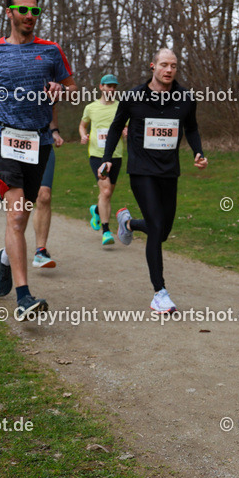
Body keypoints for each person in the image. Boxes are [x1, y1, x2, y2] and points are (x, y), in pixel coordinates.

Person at [0, 0, 77, 320]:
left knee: (24, 212)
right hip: (2, 136)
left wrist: (62, 90)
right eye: (23, 10)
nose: (30, 16)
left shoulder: (52, 51)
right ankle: (24, 297)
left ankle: (6, 258)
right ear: (10, 13)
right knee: (16, 214)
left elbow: (73, 92)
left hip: (39, 141)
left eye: (35, 11)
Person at [99, 49, 207, 314]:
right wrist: (108, 158)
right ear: (153, 66)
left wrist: (198, 151)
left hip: (169, 170)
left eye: (173, 66)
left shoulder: (184, 98)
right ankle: (160, 293)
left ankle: (129, 222)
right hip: (141, 169)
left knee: (163, 231)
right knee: (157, 228)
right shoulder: (133, 96)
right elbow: (116, 126)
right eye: (164, 65)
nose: (169, 70)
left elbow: (191, 127)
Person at [81, 73, 125, 246]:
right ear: (101, 87)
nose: (111, 89)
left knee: (108, 193)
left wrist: (126, 130)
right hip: (97, 155)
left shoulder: (121, 107)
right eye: (108, 86)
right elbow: (82, 125)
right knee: (105, 192)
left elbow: (125, 125)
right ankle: (106, 231)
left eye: (114, 87)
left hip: (116, 155)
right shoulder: (91, 107)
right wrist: (83, 135)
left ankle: (97, 210)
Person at [31, 106, 64, 268]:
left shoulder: (48, 84)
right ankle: (11, 249)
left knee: (44, 195)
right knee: (20, 199)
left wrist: (55, 131)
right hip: (16, 145)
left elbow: (51, 110)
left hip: (43, 143)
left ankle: (40, 251)